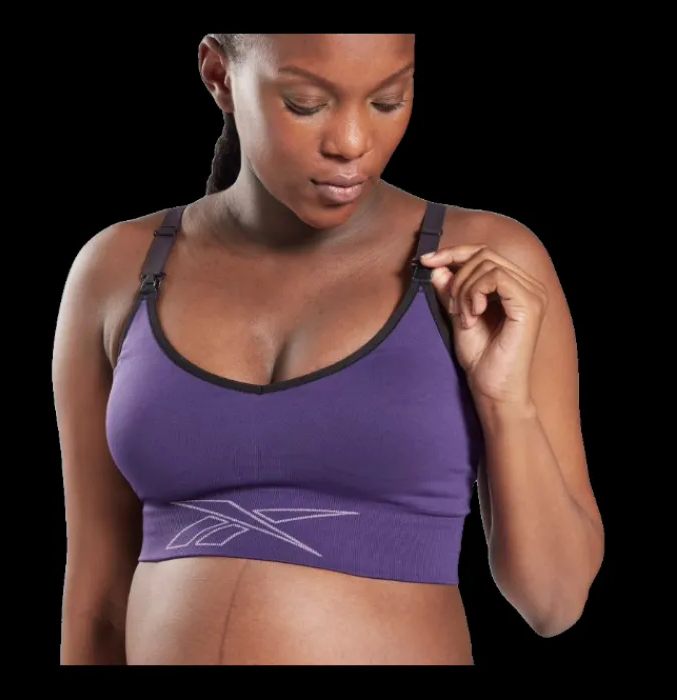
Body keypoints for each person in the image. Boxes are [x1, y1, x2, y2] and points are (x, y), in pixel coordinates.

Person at [54, 33, 604, 665]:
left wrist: (505, 402)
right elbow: (97, 601)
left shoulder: (482, 264)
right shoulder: (119, 269)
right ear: (219, 75)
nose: (351, 142)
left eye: (388, 100)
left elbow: (555, 602)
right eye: (306, 103)